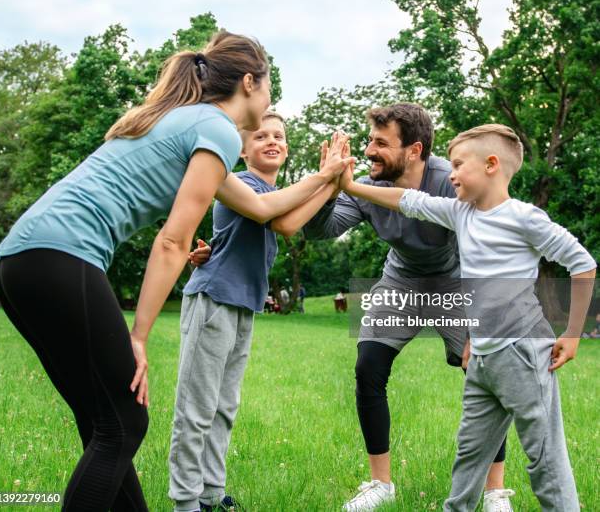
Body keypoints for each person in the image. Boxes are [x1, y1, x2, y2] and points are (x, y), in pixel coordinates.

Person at [0, 31, 352, 511]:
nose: (270, 98)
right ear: (249, 83)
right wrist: (137, 336)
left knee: (104, 421)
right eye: (269, 87)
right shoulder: (218, 129)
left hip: (22, 263)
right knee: (125, 424)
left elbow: (264, 210)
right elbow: (172, 241)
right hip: (64, 255)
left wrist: (325, 177)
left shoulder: (188, 123)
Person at [338, 123, 596, 512]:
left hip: (523, 353)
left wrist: (573, 333)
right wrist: (351, 186)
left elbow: (582, 263)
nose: (450, 173)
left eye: (459, 165)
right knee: (469, 458)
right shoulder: (460, 214)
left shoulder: (525, 218)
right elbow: (408, 200)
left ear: (492, 164)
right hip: (483, 359)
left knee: (544, 459)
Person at [271, 104, 512, 512]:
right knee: (369, 367)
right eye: (369, 141)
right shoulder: (368, 186)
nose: (368, 151)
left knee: (483, 373)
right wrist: (330, 185)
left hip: (459, 279)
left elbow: (487, 241)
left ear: (414, 150)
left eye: (381, 143)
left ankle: (494, 493)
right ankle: (381, 485)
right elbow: (320, 229)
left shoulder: (450, 178)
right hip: (402, 280)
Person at [168, 111, 299, 512]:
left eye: (279, 135)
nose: (272, 140)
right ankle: (186, 501)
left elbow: (287, 216)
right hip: (213, 301)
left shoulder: (272, 192)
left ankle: (211, 493)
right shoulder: (243, 183)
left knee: (224, 407)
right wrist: (327, 178)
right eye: (260, 136)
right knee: (197, 407)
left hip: (243, 306)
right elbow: (279, 219)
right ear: (242, 150)